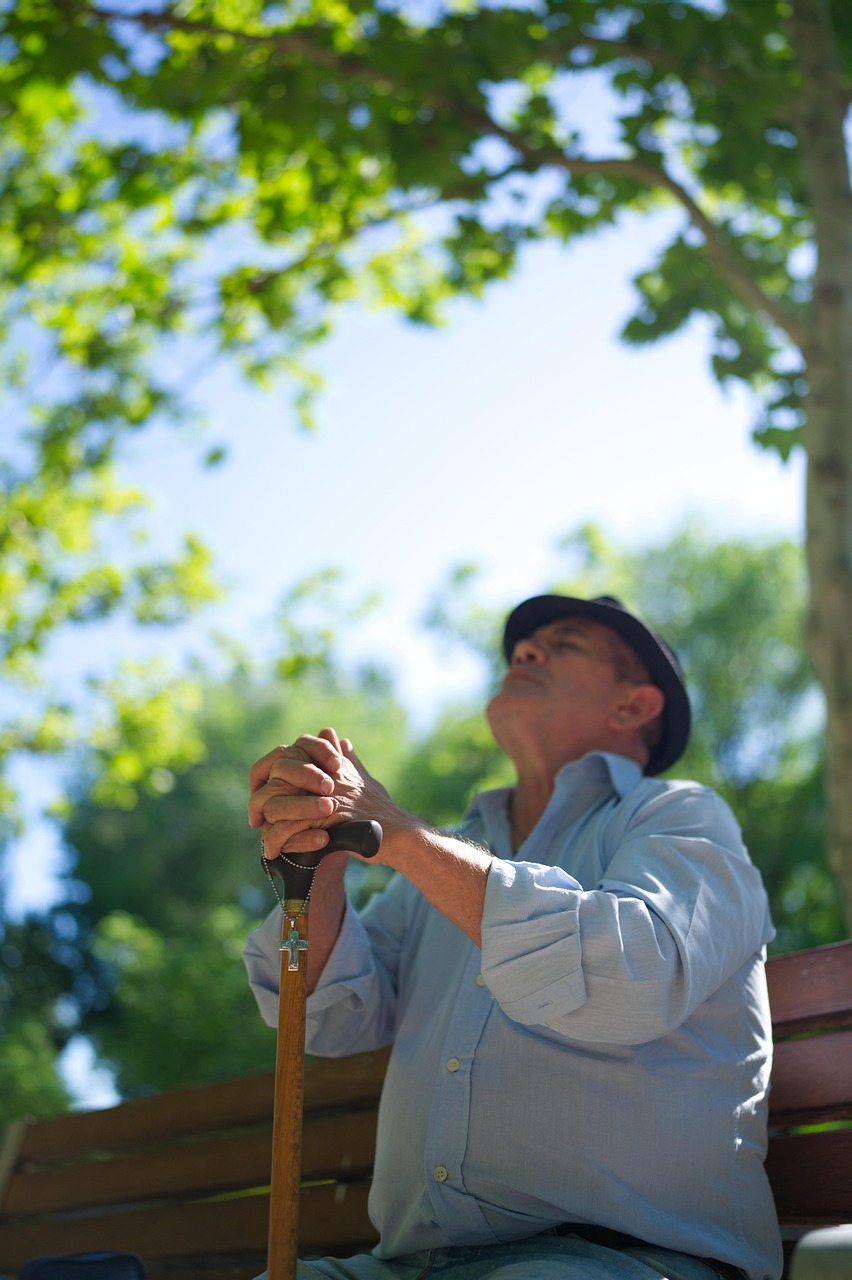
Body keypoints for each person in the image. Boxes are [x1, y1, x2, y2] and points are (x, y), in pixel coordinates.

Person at [245, 594, 782, 1280]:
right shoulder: (445, 856)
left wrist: (400, 835)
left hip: (626, 1262)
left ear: (634, 706)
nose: (525, 650)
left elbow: (632, 977)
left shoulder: (682, 816)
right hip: (406, 1267)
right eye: (527, 645)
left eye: (566, 642)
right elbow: (330, 1016)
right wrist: (317, 861)